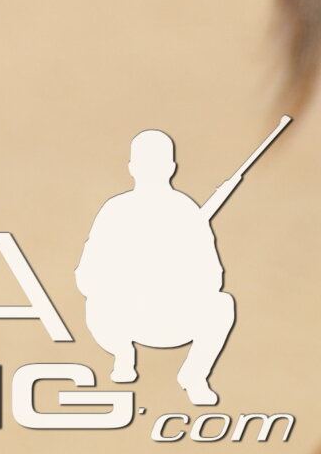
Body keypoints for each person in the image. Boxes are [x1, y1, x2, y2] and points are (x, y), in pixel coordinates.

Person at [80, 123, 274, 408]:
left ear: (171, 167)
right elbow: (88, 273)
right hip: (124, 316)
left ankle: (194, 376)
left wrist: (175, 273)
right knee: (98, 303)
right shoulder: (116, 211)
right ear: (133, 167)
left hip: (173, 316)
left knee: (222, 304)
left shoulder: (186, 212)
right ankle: (123, 355)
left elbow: (213, 277)